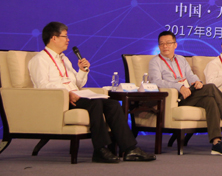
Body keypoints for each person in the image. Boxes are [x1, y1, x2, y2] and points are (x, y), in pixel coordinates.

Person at [28, 22, 156, 163]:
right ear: (54, 38)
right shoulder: (39, 60)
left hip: (76, 96)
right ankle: (100, 150)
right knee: (95, 104)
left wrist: (82, 71)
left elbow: (77, 84)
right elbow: (42, 86)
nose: (68, 40)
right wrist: (66, 93)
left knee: (113, 104)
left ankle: (130, 149)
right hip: (59, 100)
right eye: (65, 36)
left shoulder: (64, 59)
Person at [148, 31, 222, 156]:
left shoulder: (181, 59)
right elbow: (156, 81)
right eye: (162, 44)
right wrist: (179, 87)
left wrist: (197, 82)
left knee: (210, 100)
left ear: (175, 45)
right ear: (159, 46)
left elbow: (190, 75)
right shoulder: (155, 61)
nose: (165, 46)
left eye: (168, 43)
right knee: (211, 87)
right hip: (176, 97)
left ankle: (216, 143)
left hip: (190, 93)